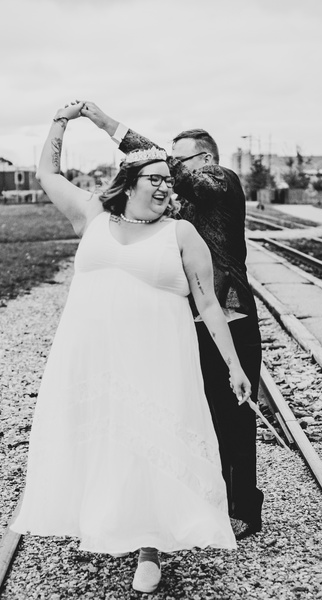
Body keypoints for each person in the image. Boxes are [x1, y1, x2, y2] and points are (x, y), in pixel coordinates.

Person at [10, 100, 253, 595]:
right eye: (155, 178)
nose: (166, 186)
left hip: (157, 359)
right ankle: (105, 520)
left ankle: (149, 547)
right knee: (104, 442)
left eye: (170, 178)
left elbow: (209, 305)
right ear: (129, 182)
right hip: (93, 356)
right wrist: (61, 122)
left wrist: (235, 365)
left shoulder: (182, 233)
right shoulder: (92, 215)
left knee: (151, 445)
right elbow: (47, 173)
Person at [80, 102, 264, 539]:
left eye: (177, 161)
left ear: (205, 157)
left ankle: (244, 508)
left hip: (229, 317)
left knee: (233, 418)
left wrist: (108, 124)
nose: (169, 171)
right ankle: (202, 501)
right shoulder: (184, 198)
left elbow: (162, 165)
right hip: (188, 320)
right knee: (193, 413)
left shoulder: (222, 180)